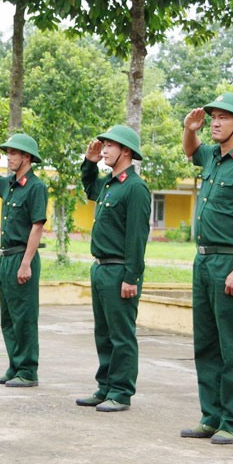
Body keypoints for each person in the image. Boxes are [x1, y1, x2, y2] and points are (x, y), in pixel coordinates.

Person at [179, 94, 233, 444]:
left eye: (223, 118)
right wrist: (190, 129)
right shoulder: (214, 159)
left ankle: (232, 422)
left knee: (231, 346)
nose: (215, 122)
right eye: (213, 117)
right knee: (206, 343)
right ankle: (210, 415)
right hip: (203, 260)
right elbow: (191, 151)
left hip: (230, 261)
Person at [78, 125, 151, 413]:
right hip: (101, 268)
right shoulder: (111, 183)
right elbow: (89, 187)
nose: (105, 149)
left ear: (127, 151)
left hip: (121, 270)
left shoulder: (135, 187)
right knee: (104, 332)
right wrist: (89, 163)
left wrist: (132, 276)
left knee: (121, 334)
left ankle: (121, 391)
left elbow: (136, 237)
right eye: (104, 144)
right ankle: (105, 386)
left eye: (110, 145)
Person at [0, 134, 48, 388]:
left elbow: (37, 227)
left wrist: (26, 262)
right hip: (5, 257)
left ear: (27, 157)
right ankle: (14, 365)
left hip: (22, 256)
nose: (8, 157)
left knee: (24, 316)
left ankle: (27, 370)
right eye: (8, 152)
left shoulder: (36, 187)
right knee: (8, 316)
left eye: (13, 153)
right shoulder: (10, 184)